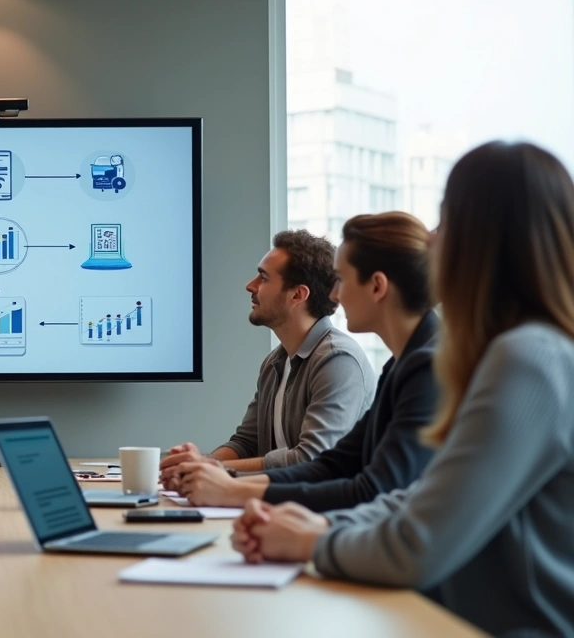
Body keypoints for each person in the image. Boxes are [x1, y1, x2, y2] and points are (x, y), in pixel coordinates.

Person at [231, 141, 574, 637]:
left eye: (444, 221)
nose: (431, 240)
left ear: (481, 240)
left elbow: (418, 544)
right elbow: (419, 498)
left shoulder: (529, 361)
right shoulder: (502, 354)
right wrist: (319, 527)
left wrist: (308, 543)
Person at [176, 212, 438, 511]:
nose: (335, 294)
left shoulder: (418, 366)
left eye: (341, 280)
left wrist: (230, 487)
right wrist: (215, 475)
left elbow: (369, 487)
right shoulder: (399, 364)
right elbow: (333, 465)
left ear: (377, 286)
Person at [162, 230, 375, 481]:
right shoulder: (275, 361)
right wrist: (201, 465)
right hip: (277, 503)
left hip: (320, 514)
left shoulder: (338, 360)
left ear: (298, 295)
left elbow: (312, 458)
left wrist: (216, 471)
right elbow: (246, 443)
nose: (250, 285)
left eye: (263, 278)